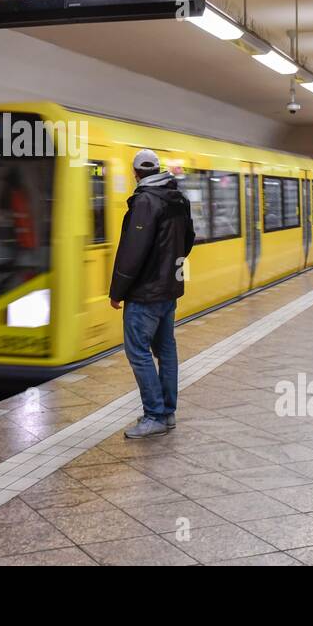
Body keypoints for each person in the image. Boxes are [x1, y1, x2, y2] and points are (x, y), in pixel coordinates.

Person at [110, 148, 195, 439]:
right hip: (169, 289)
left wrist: (117, 291)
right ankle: (167, 412)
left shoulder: (145, 202)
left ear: (136, 173)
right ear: (157, 169)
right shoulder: (178, 198)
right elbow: (189, 240)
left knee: (138, 352)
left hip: (146, 293)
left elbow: (132, 253)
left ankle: (155, 415)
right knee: (166, 349)